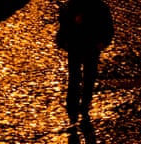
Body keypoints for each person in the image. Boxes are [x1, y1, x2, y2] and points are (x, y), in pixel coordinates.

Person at [56, 0, 114, 143]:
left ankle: (81, 105)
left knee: (87, 77)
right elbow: (64, 25)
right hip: (79, 45)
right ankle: (75, 106)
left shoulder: (98, 7)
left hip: (89, 46)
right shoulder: (76, 6)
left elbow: (108, 28)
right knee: (78, 77)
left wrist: (103, 41)